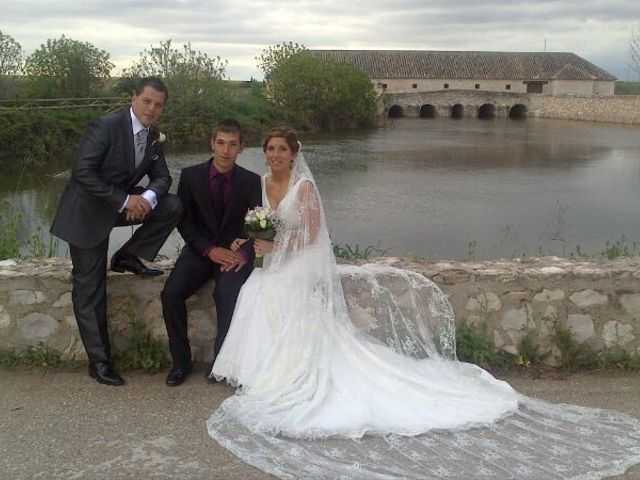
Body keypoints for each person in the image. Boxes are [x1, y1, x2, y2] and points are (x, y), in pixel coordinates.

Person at [207, 126, 640, 479]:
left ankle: (292, 371)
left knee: (277, 288)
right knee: (256, 289)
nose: (275, 155)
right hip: (275, 260)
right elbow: (261, 227)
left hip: (299, 262)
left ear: (293, 153)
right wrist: (256, 241)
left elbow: (314, 235)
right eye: (270, 149)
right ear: (263, 154)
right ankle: (263, 371)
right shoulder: (263, 183)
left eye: (282, 149)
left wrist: (275, 244)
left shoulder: (303, 186)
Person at [50, 77, 182, 387]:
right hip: (86, 213)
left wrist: (146, 200)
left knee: (172, 205)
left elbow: (162, 178)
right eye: (147, 101)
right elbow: (82, 171)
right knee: (90, 289)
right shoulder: (105, 127)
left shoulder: (153, 138)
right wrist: (125, 199)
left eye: (158, 105)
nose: (151, 108)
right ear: (134, 98)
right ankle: (99, 363)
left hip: (120, 207)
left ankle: (127, 256)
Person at [161, 119, 261, 387]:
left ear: (241, 147)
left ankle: (221, 362)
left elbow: (257, 225)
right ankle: (180, 364)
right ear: (212, 143)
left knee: (227, 294)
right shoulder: (191, 176)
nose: (225, 150)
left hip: (233, 256)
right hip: (200, 251)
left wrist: (244, 254)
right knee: (170, 293)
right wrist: (208, 249)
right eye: (220, 143)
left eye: (232, 144)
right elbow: (184, 221)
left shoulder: (252, 182)